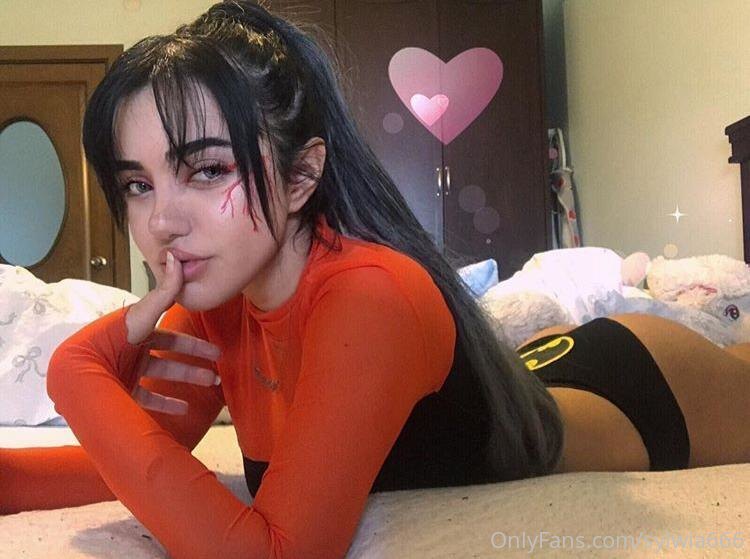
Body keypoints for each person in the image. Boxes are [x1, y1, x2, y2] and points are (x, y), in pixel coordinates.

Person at [1, 1, 748, 557]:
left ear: (301, 176)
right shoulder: (219, 302)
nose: (161, 220)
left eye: (206, 170)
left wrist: (76, 369)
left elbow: (275, 553)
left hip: (646, 389)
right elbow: (130, 461)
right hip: (540, 372)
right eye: (137, 184)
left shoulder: (368, 293)